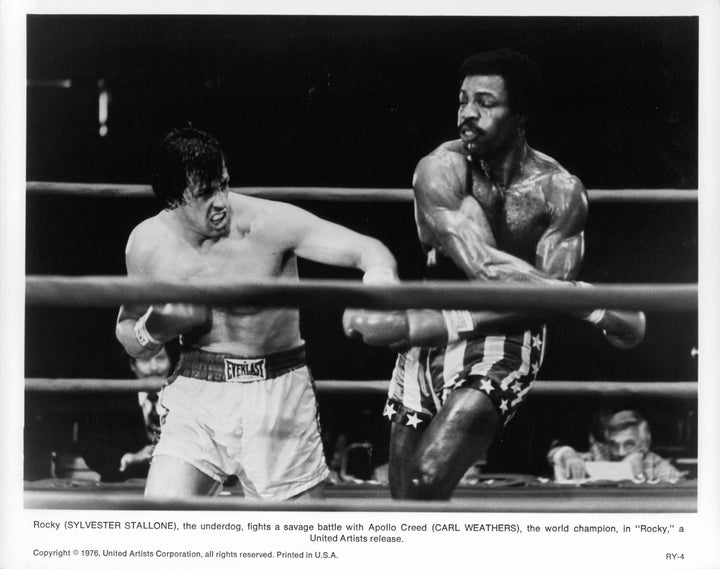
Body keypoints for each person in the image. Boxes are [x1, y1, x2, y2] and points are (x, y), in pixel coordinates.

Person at [343, 49, 646, 499]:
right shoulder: (441, 169)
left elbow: (538, 309)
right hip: (426, 338)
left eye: (485, 102)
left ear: (520, 115)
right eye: (463, 100)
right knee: (405, 497)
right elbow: (487, 270)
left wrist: (448, 321)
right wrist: (584, 299)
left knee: (427, 479)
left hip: (502, 338)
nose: (468, 114)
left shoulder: (560, 192)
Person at [115, 126, 398, 501]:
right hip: (198, 393)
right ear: (174, 199)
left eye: (224, 185)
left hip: (276, 391)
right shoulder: (148, 245)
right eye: (204, 194)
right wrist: (152, 330)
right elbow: (128, 330)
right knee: (162, 522)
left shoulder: (268, 225)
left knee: (294, 547)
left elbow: (369, 250)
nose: (221, 202)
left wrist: (380, 290)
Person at [77, 347, 171, 482]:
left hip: (174, 488)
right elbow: (91, 446)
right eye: (145, 360)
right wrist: (128, 458)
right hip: (122, 488)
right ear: (132, 365)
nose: (154, 367)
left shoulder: (184, 399)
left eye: (160, 358)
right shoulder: (112, 401)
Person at [548, 410, 684, 483]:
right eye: (614, 444)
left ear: (644, 444)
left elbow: (679, 491)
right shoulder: (600, 453)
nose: (620, 452)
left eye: (629, 444)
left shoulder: (656, 464)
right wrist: (568, 455)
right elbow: (554, 454)